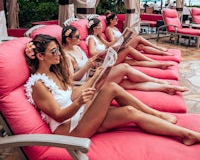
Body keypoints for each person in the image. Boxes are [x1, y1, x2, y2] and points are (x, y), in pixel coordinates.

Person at [24, 34, 200, 145]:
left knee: (130, 112)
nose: (59, 54)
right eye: (54, 51)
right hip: (70, 131)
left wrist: (95, 78)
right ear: (40, 56)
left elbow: (71, 94)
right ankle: (158, 114)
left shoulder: (55, 73)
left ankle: (187, 134)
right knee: (110, 88)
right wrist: (79, 102)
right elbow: (58, 115)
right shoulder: (38, 85)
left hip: (80, 117)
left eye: (58, 50)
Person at [61, 25, 186, 94]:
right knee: (125, 69)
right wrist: (88, 65)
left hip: (95, 70)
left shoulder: (77, 48)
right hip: (90, 79)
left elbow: (93, 54)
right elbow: (71, 79)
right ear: (68, 39)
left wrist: (95, 59)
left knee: (127, 83)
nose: (79, 38)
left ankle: (165, 87)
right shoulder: (67, 56)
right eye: (77, 36)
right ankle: (158, 82)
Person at [86, 17, 175, 69]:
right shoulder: (91, 39)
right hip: (105, 60)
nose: (102, 28)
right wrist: (107, 51)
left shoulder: (99, 37)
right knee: (129, 49)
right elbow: (92, 53)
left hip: (110, 55)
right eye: (100, 27)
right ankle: (157, 62)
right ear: (94, 29)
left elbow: (108, 44)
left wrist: (121, 40)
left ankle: (158, 64)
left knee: (134, 62)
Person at [105, 12, 174, 56]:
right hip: (119, 48)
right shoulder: (109, 29)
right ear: (111, 20)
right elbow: (113, 42)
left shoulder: (115, 28)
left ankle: (162, 53)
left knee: (141, 46)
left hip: (123, 43)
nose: (117, 20)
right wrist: (123, 37)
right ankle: (158, 48)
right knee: (139, 38)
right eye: (116, 19)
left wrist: (127, 37)